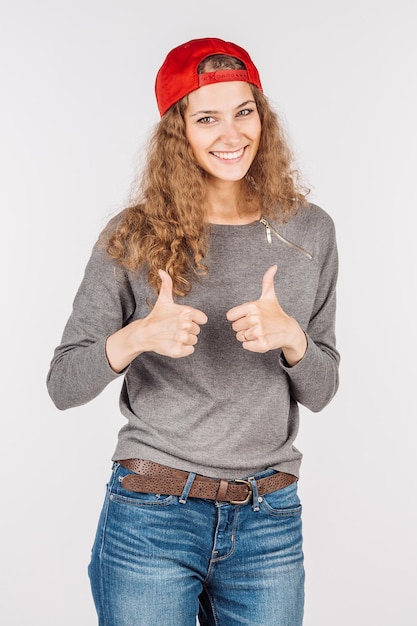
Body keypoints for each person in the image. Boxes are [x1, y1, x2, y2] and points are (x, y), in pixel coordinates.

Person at [47, 37, 340, 626]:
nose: (232, 135)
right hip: (152, 516)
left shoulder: (309, 231)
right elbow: (63, 384)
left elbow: (323, 388)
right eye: (207, 118)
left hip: (269, 519)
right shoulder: (133, 236)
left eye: (244, 112)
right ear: (178, 132)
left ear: (263, 116)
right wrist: (136, 338)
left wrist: (292, 340)